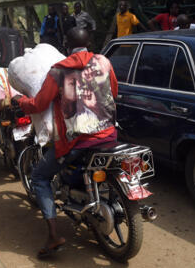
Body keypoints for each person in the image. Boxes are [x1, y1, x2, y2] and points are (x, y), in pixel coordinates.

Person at [13, 28, 118, 259]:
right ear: (89, 41)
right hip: (110, 135)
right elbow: (114, 91)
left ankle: (52, 236)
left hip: (77, 142)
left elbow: (40, 103)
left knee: (40, 177)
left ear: (65, 44)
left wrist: (21, 101)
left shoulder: (59, 71)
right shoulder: (103, 62)